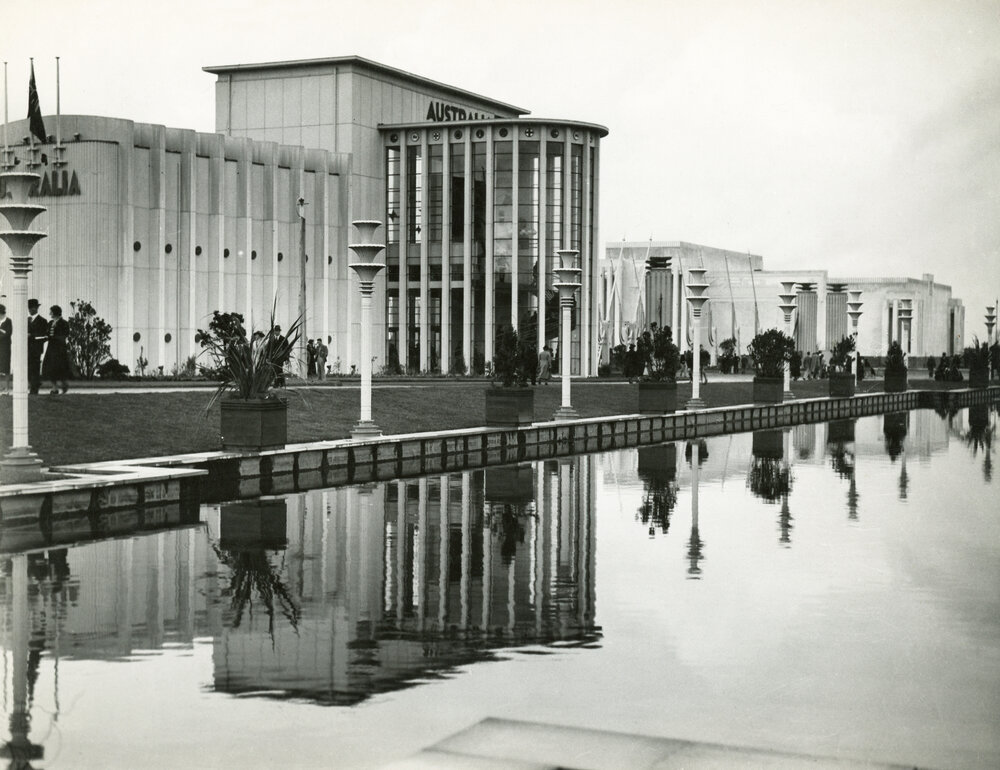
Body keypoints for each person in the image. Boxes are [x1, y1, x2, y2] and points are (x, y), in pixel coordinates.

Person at [41, 305, 72, 394]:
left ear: (55, 312)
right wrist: (43, 338)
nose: (49, 313)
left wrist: (53, 337)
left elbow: (65, 335)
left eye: (51, 311)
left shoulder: (64, 323)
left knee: (59, 367)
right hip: (51, 348)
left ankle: (64, 384)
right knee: (50, 368)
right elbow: (47, 334)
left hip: (60, 349)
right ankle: (54, 388)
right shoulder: (50, 323)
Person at [26, 298, 48, 395]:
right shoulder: (26, 320)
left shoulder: (42, 321)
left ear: (36, 308)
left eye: (31, 308)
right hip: (26, 349)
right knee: (28, 369)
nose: (30, 310)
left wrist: (32, 336)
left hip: (36, 348)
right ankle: (34, 384)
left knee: (34, 368)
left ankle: (34, 389)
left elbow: (45, 336)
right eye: (29, 308)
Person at [0, 305, 11, 393]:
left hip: (5, 347)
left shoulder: (8, 321)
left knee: (6, 367)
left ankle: (7, 387)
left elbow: (8, 333)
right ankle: (0, 387)